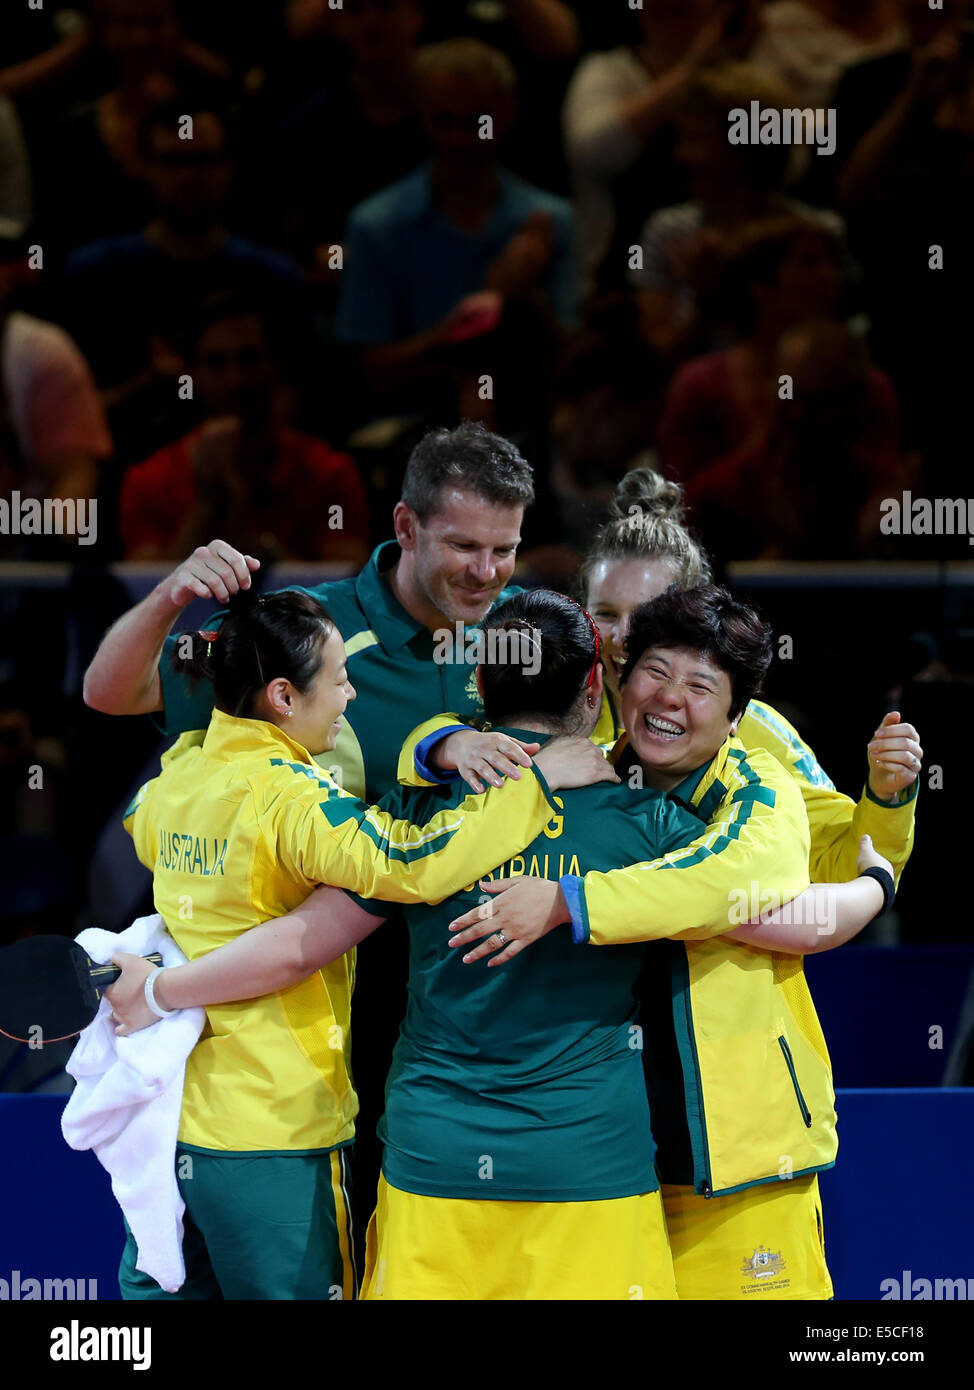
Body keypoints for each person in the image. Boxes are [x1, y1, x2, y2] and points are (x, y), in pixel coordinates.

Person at [108, 589, 891, 1301]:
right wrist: (875, 885)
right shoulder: (656, 831)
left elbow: (299, 944)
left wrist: (160, 990)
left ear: (478, 688)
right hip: (591, 1169)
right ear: (597, 692)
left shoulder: (412, 821)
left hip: (432, 1163)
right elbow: (786, 914)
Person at [112, 584, 608, 1299]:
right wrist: (533, 787)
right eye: (340, 680)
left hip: (170, 1124)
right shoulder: (292, 797)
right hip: (274, 1130)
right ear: (283, 696)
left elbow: (141, 822)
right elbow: (409, 861)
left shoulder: (178, 775)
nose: (350, 698)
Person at [444, 584, 912, 1298]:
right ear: (618, 682)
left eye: (700, 686)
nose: (669, 699)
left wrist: (573, 901)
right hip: (597, 1160)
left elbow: (735, 884)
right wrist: (441, 746)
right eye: (656, 672)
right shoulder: (573, 772)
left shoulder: (763, 789)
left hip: (736, 1159)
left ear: (735, 718)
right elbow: (436, 780)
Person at [119, 295, 369, 565]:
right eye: (216, 364)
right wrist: (206, 503)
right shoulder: (149, 481)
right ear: (193, 375)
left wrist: (253, 535)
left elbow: (343, 587)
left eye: (249, 360)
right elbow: (146, 594)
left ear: (274, 366)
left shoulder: (329, 473)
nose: (235, 380)